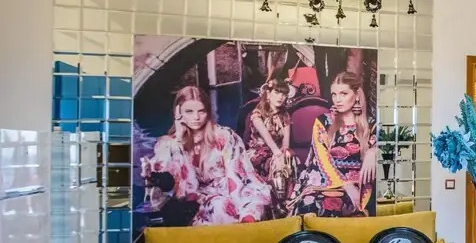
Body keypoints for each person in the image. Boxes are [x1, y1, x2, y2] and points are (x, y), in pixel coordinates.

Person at [142, 86, 272, 225]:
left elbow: (236, 177)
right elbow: (181, 190)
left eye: (201, 111)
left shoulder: (225, 136)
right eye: (189, 112)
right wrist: (179, 139)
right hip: (193, 202)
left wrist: (239, 208)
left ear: (208, 112)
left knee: (227, 206)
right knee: (215, 206)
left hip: (231, 193)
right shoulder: (169, 144)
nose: (196, 117)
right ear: (178, 113)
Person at [287, 72, 377, 217]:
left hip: (360, 184)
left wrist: (374, 151)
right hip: (325, 180)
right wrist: (346, 185)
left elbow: (391, 148)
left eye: (343, 94)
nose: (337, 99)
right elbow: (322, 159)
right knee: (311, 205)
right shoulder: (323, 122)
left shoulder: (370, 125)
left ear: (356, 95)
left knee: (337, 206)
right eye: (334, 94)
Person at [247, 78, 295, 203]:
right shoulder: (257, 114)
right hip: (259, 153)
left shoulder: (285, 116)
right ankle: (276, 203)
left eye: (283, 94)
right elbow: (267, 139)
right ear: (268, 94)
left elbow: (285, 144)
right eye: (277, 93)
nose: (280, 97)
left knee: (289, 161)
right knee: (276, 166)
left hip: (277, 152)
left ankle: (287, 202)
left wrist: (284, 155)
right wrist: (278, 156)